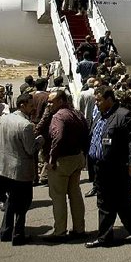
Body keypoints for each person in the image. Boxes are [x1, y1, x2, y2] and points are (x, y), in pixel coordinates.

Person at [85, 87, 131, 248]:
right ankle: (104, 237)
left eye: (99, 100)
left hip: (118, 168)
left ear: (109, 99)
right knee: (103, 203)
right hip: (100, 167)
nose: (96, 103)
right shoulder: (100, 116)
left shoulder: (124, 115)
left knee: (123, 202)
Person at [36, 89, 89, 240]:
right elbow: (87, 132)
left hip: (62, 161)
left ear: (61, 101)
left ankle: (60, 230)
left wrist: (52, 159)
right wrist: (83, 154)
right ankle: (79, 228)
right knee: (75, 194)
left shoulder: (58, 116)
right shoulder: (77, 113)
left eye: (52, 101)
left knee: (58, 196)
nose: (49, 104)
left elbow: (57, 137)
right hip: (77, 158)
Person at [0, 93, 43, 245]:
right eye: (30, 105)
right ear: (22, 105)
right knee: (23, 203)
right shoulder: (25, 125)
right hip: (20, 171)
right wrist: (40, 141)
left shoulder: (4, 119)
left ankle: (6, 231)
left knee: (11, 201)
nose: (33, 108)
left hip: (3, 168)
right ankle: (18, 234)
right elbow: (30, 149)